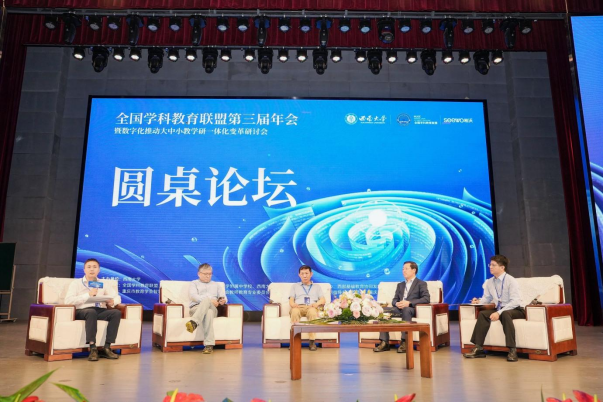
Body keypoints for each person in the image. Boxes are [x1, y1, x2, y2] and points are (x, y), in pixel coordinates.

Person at [464, 255, 525, 362]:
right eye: (490, 265)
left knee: (505, 314)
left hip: (515, 309)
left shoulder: (511, 280)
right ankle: (479, 348)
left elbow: (515, 301)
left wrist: (499, 312)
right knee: (483, 314)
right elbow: (487, 298)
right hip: (500, 309)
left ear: (502, 267)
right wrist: (478, 302)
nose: (490, 267)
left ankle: (512, 349)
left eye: (493, 265)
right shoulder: (490, 282)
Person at [65, 258, 121, 362]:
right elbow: (68, 300)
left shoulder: (103, 283)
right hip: (82, 310)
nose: (92, 269)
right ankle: (93, 348)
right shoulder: (76, 283)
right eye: (89, 267)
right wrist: (88, 295)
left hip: (99, 310)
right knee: (91, 312)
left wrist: (112, 301)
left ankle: (107, 347)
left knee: (116, 313)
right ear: (84, 270)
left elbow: (117, 297)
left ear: (98, 270)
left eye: (95, 267)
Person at [374, 261, 430, 354]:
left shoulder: (421, 283)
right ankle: (384, 342)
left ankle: (405, 342)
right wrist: (396, 303)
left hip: (411, 309)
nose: (404, 271)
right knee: (383, 310)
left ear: (414, 270)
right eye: (403, 269)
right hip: (399, 308)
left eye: (406, 269)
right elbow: (394, 300)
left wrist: (409, 303)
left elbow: (426, 298)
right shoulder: (400, 285)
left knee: (406, 309)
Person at [185, 263, 227, 355]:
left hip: (213, 307)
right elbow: (193, 296)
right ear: (199, 274)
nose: (208, 276)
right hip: (196, 308)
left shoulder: (216, 285)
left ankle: (194, 322)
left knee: (209, 307)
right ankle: (209, 345)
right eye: (205, 274)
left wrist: (222, 301)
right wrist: (209, 300)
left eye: (210, 274)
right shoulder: (194, 283)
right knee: (208, 312)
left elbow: (223, 297)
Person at [289, 265, 326, 352]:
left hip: (311, 307)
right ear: (299, 275)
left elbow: (323, 300)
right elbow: (291, 300)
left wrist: (316, 304)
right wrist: (293, 304)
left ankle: (312, 342)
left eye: (306, 273)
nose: (305, 276)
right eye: (302, 274)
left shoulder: (317, 287)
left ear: (311, 274)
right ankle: (294, 341)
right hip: (299, 307)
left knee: (313, 312)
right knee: (294, 312)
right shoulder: (295, 286)